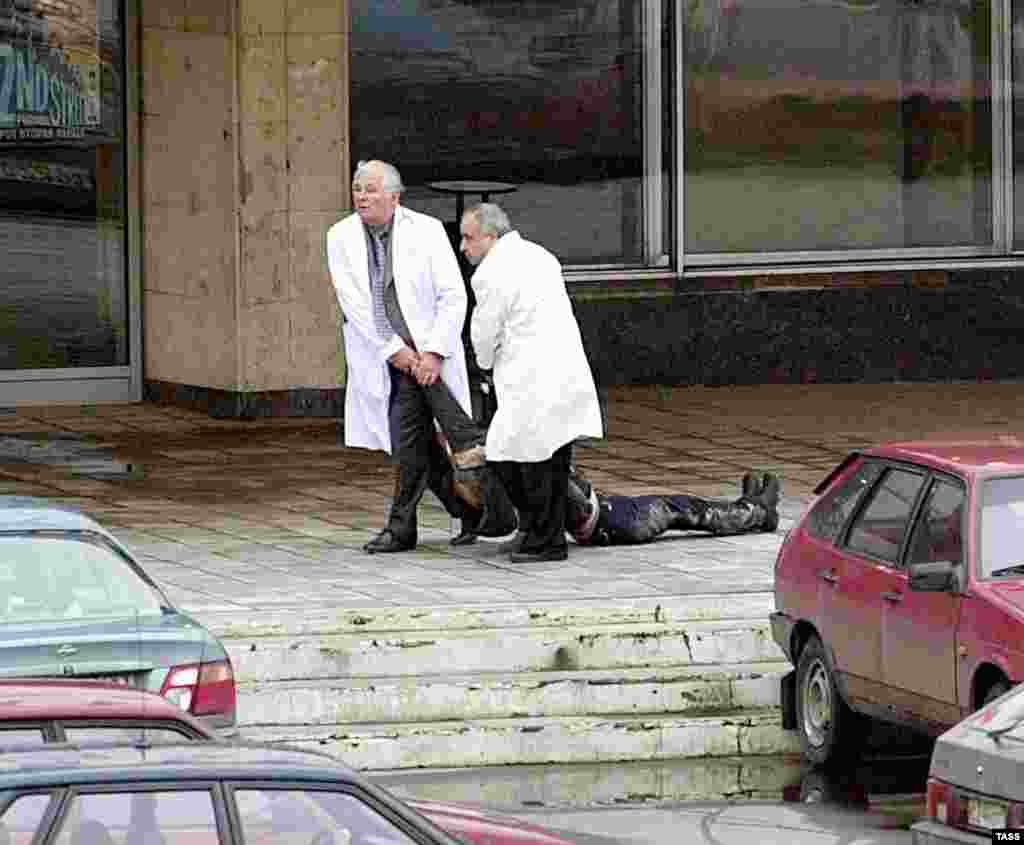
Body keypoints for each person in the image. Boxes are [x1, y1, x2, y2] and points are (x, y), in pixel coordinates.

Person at [326, 160, 510, 553]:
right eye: (358, 188)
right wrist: (396, 352)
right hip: (388, 358)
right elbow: (355, 304)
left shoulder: (425, 230)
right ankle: (471, 511)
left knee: (422, 441)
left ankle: (409, 525)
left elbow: (452, 294)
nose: (362, 196)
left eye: (371, 189)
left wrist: (433, 352)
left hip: (429, 358)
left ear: (395, 196)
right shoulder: (339, 236)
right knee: (417, 442)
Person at [460, 203, 603, 563]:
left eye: (469, 238)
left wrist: (485, 365)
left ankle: (544, 540)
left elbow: (484, 331)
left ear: (491, 237)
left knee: (516, 457)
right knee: (549, 460)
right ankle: (538, 533)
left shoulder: (491, 273)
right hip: (563, 375)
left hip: (532, 380)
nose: (463, 247)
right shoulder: (541, 255)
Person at [564, 470, 781, 545]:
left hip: (614, 520)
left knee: (693, 510)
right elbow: (582, 507)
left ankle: (749, 504)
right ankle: (759, 511)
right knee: (695, 511)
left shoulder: (538, 478)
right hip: (622, 519)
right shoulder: (549, 473)